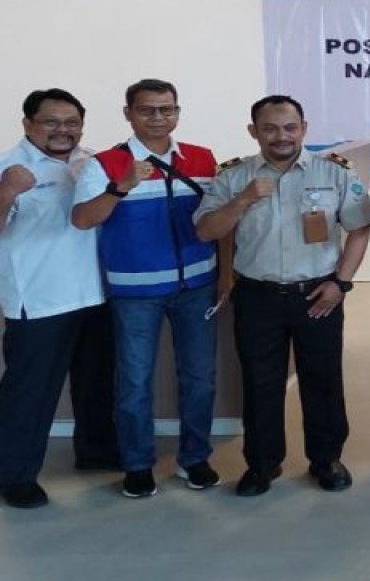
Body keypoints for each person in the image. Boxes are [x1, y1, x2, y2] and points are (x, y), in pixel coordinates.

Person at [194, 95, 370, 496]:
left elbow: (361, 228)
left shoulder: (334, 172)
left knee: (323, 380)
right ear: (254, 131)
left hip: (318, 293)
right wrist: (242, 200)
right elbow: (207, 231)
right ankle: (262, 464)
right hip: (257, 297)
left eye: (290, 127)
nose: (282, 136)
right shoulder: (232, 177)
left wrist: (341, 284)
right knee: (260, 382)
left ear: (304, 129)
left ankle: (326, 460)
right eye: (270, 128)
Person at [71, 78, 222, 499]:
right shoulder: (104, 164)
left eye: (166, 109)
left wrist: (225, 276)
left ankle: (195, 458)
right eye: (147, 110)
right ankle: (137, 465)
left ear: (177, 112)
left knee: (200, 379)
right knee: (135, 382)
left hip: (197, 286)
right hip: (134, 293)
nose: (158, 117)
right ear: (128, 114)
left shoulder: (202, 158)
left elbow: (217, 218)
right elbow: (82, 219)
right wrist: (120, 186)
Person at [0, 89, 116, 508]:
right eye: (51, 121)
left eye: (71, 122)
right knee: (29, 392)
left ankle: (96, 451)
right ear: (28, 124)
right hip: (40, 300)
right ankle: (14, 476)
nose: (62, 130)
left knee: (97, 381)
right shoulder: (9, 166)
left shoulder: (91, 161)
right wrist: (7, 192)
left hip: (95, 292)